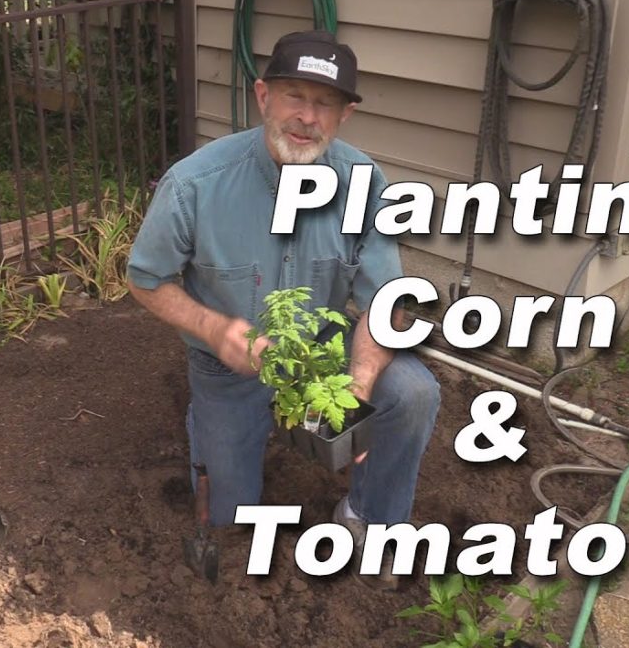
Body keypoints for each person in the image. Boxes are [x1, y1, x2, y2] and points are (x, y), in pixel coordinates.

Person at [126, 30, 441, 589]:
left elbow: (383, 301)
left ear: (343, 116)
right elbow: (146, 278)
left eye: (325, 103)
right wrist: (216, 328)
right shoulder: (196, 184)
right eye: (295, 96)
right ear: (263, 95)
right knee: (229, 519)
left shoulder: (364, 186)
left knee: (413, 392)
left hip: (322, 352)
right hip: (228, 364)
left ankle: (372, 521)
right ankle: (211, 430)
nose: (308, 117)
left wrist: (358, 392)